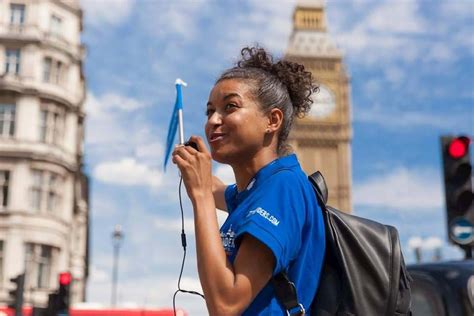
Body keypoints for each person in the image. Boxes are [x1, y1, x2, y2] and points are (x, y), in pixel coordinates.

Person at [172, 46, 326, 315]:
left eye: (230, 107)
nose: (213, 121)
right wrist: (199, 174)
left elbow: (226, 303)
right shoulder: (254, 191)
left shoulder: (283, 186)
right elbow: (219, 190)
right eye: (210, 111)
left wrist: (199, 195)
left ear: (272, 120)